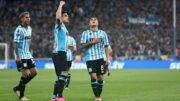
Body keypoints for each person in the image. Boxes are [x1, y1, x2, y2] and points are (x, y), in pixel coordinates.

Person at [80, 16, 110, 101]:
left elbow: (107, 46)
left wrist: (107, 59)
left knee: (100, 77)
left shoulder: (103, 33)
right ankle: (97, 97)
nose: (93, 21)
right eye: (91, 20)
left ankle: (98, 95)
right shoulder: (85, 33)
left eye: (95, 20)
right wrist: (92, 42)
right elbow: (81, 46)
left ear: (98, 23)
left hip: (101, 58)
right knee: (93, 76)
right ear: (89, 23)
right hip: (90, 58)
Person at [13, 11, 37, 101]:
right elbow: (15, 43)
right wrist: (18, 56)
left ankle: (17, 88)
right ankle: (21, 96)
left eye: (29, 17)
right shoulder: (19, 30)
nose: (28, 19)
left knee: (34, 73)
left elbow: (28, 43)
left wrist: (31, 55)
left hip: (28, 54)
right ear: (22, 19)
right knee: (25, 75)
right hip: (21, 55)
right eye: (26, 17)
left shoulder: (30, 28)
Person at [51, 1, 69, 101]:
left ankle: (54, 97)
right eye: (65, 15)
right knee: (65, 74)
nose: (68, 17)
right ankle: (60, 97)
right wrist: (60, 5)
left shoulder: (64, 28)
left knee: (60, 77)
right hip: (60, 53)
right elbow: (57, 17)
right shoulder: (59, 25)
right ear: (62, 17)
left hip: (58, 53)